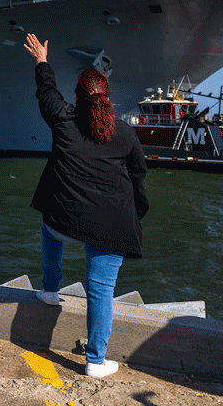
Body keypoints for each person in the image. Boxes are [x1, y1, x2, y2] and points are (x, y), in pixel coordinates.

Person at [22, 34, 149, 378]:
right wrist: (139, 209)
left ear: (77, 98)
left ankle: (50, 290)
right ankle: (95, 360)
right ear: (108, 99)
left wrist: (41, 60)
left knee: (50, 233)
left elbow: (46, 92)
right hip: (111, 225)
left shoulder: (64, 120)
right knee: (101, 288)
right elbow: (139, 173)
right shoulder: (123, 132)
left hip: (65, 218)